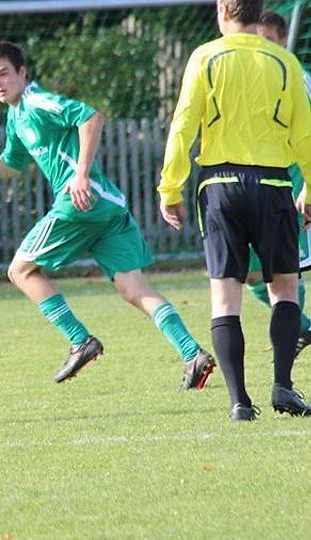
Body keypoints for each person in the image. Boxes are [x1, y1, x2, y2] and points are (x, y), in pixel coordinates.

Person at [0, 41, 215, 388]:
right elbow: (13, 163)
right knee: (134, 289)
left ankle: (80, 340)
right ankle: (192, 353)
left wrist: (80, 174)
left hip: (81, 202)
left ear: (23, 73)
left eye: (4, 74)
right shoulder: (16, 116)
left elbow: (90, 117)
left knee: (20, 270)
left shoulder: (38, 102)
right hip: (108, 206)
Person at [158, 0, 311, 421]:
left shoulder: (205, 56)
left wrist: (170, 187)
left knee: (226, 294)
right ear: (260, 14)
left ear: (223, 11)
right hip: (274, 185)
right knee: (285, 288)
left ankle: (240, 402)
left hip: (219, 186)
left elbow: (183, 125)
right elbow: (304, 134)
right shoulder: (284, 61)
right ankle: (283, 385)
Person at [246, 11, 311, 357]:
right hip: (258, 185)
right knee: (251, 272)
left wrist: (308, 186)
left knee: (287, 269)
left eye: (269, 41)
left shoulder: (298, 78)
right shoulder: (250, 79)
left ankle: (292, 334)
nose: (263, 48)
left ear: (284, 41)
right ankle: (301, 327)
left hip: (295, 182)